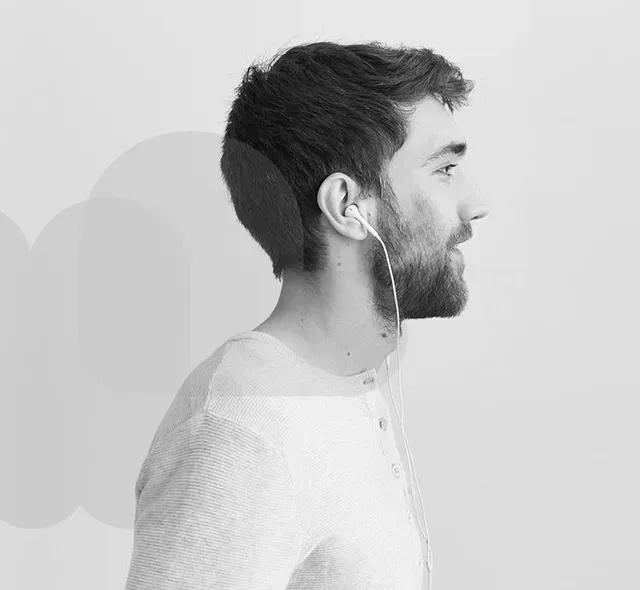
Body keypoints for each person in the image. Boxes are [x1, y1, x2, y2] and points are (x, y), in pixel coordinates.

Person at [126, 40, 489, 589]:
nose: (475, 203)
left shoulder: (344, 383)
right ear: (346, 207)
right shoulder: (241, 432)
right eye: (445, 168)